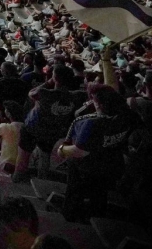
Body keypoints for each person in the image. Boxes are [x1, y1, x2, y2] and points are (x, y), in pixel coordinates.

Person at [56, 85, 132, 221]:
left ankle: (70, 216)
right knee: (99, 193)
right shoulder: (127, 117)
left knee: (75, 190)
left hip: (88, 168)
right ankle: (97, 216)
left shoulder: (90, 123)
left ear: (100, 104)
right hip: (111, 164)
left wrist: (61, 150)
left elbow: (79, 152)